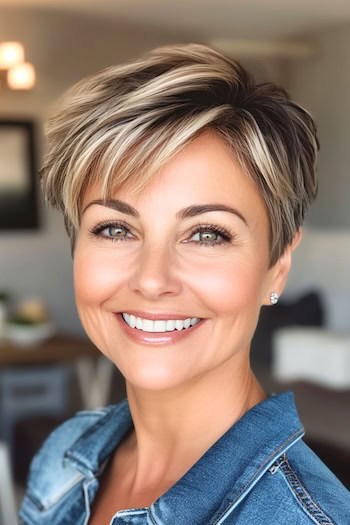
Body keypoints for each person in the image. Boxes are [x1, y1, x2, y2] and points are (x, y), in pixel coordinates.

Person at [19, 44, 349, 525]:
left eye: (207, 234)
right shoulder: (65, 452)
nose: (152, 279)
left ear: (277, 267)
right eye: (115, 229)